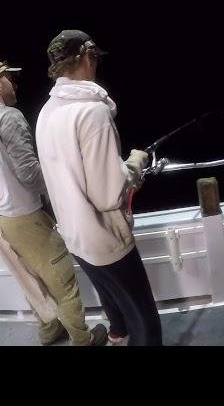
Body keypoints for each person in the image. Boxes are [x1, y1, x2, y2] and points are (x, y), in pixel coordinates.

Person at [0, 61, 107, 346]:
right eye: (10, 79)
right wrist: (66, 187)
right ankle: (83, 339)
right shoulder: (9, 117)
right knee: (62, 282)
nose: (14, 85)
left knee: (31, 279)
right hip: (26, 218)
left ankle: (49, 330)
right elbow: (30, 173)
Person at [36, 30, 162, 345]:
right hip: (105, 239)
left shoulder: (47, 112)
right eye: (95, 59)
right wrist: (134, 165)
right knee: (144, 316)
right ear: (88, 56)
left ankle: (117, 335)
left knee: (110, 297)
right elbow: (108, 193)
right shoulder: (94, 113)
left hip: (74, 236)